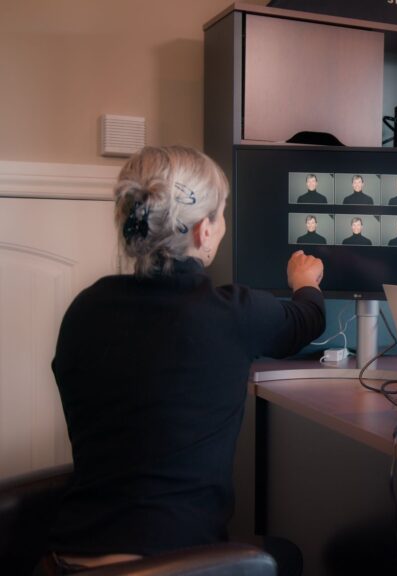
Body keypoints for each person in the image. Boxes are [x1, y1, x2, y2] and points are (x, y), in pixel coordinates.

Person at [44, 145, 325, 573]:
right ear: (203, 231)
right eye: (221, 214)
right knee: (285, 556)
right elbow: (307, 320)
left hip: (69, 559)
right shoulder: (233, 313)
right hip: (172, 564)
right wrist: (305, 282)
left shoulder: (85, 308)